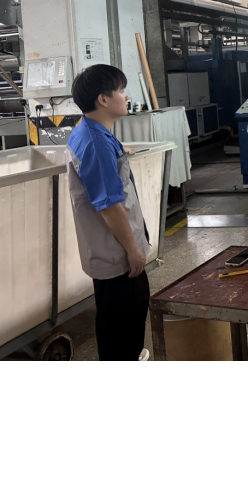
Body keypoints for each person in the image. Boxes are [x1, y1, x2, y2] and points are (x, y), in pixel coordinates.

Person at [67, 64, 152, 361]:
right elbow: (109, 205)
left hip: (108, 252)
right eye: (121, 90)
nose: (126, 96)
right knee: (122, 331)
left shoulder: (90, 132)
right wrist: (133, 250)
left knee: (115, 325)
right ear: (103, 99)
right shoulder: (96, 143)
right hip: (118, 258)